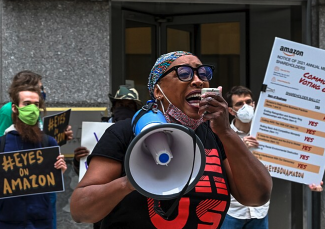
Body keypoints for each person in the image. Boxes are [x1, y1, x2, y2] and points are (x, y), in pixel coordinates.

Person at [70, 51, 272, 229]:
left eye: (203, 73)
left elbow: (257, 197)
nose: (198, 80)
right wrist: (131, 182)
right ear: (158, 91)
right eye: (184, 73)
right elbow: (81, 211)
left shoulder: (216, 136)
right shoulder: (124, 133)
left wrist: (227, 132)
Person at [0, 70, 73, 229]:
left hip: (41, 218)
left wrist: (58, 169)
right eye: (27, 104)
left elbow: (50, 170)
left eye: (36, 104)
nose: (32, 109)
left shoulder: (49, 141)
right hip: (9, 219)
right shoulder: (3, 141)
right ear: (15, 108)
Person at [73, 85, 143, 229]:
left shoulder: (144, 131)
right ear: (113, 108)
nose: (124, 108)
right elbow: (86, 179)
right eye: (120, 105)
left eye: (129, 105)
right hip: (103, 203)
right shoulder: (97, 130)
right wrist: (78, 161)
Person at [221, 85, 269, 229]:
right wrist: (240, 149)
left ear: (254, 105)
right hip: (232, 211)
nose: (245, 106)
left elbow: (286, 162)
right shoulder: (223, 135)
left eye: (248, 102)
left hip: (261, 211)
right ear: (231, 110)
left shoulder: (267, 135)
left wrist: (310, 178)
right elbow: (220, 168)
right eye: (239, 104)